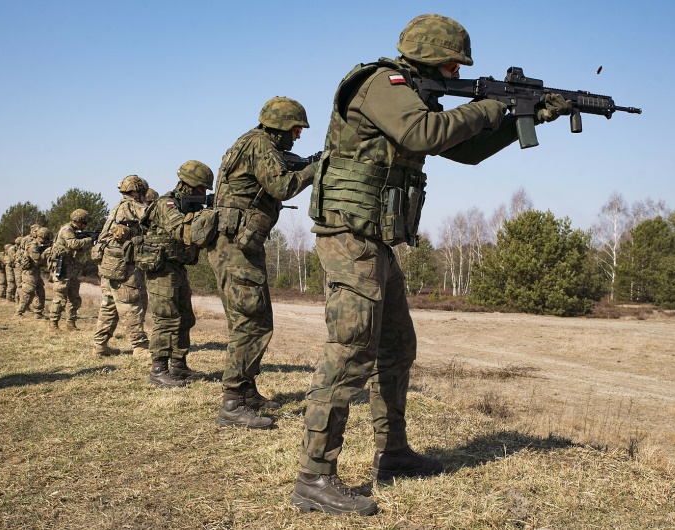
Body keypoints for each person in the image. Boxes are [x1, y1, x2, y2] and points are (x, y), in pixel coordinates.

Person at [290, 14, 571, 515]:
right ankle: (314, 476)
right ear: (426, 55)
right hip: (348, 236)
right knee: (351, 352)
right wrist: (490, 104)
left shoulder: (416, 96)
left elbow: (464, 150)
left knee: (397, 348)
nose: (451, 71)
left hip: (375, 239)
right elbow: (423, 134)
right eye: (448, 63)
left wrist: (521, 118)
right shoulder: (382, 82)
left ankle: (392, 454)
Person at [208, 96, 318, 429]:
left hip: (236, 244)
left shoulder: (250, 142)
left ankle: (246, 391)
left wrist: (304, 162)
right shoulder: (260, 145)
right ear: (282, 126)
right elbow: (282, 186)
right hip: (237, 247)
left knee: (252, 318)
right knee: (252, 322)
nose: (298, 135)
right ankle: (231, 403)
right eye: (296, 129)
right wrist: (316, 168)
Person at [139, 161, 215, 388]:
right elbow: (182, 230)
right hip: (161, 268)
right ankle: (158, 369)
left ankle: (178, 365)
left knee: (185, 317)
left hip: (177, 267)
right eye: (201, 189)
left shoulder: (190, 206)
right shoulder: (167, 204)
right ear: (189, 185)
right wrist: (209, 215)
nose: (203, 193)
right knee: (166, 319)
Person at [92, 175, 150, 357]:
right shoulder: (132, 206)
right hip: (122, 267)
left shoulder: (117, 207)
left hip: (108, 266)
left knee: (109, 305)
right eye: (142, 193)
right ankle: (139, 347)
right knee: (130, 303)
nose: (144, 197)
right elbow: (154, 217)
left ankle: (100, 345)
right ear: (135, 191)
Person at [49, 209, 94, 331]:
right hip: (62, 267)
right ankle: (53, 324)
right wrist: (90, 240)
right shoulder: (67, 229)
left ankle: (71, 324)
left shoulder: (76, 231)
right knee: (60, 296)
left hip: (72, 268)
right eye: (84, 223)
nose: (85, 226)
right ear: (79, 221)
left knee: (74, 298)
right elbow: (73, 244)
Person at [16, 227, 51, 319]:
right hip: (29, 272)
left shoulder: (41, 245)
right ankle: (19, 312)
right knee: (28, 292)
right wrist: (46, 253)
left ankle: (38, 313)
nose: (46, 240)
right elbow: (37, 261)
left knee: (40, 291)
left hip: (36, 271)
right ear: (40, 237)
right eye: (45, 238)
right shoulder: (33, 246)